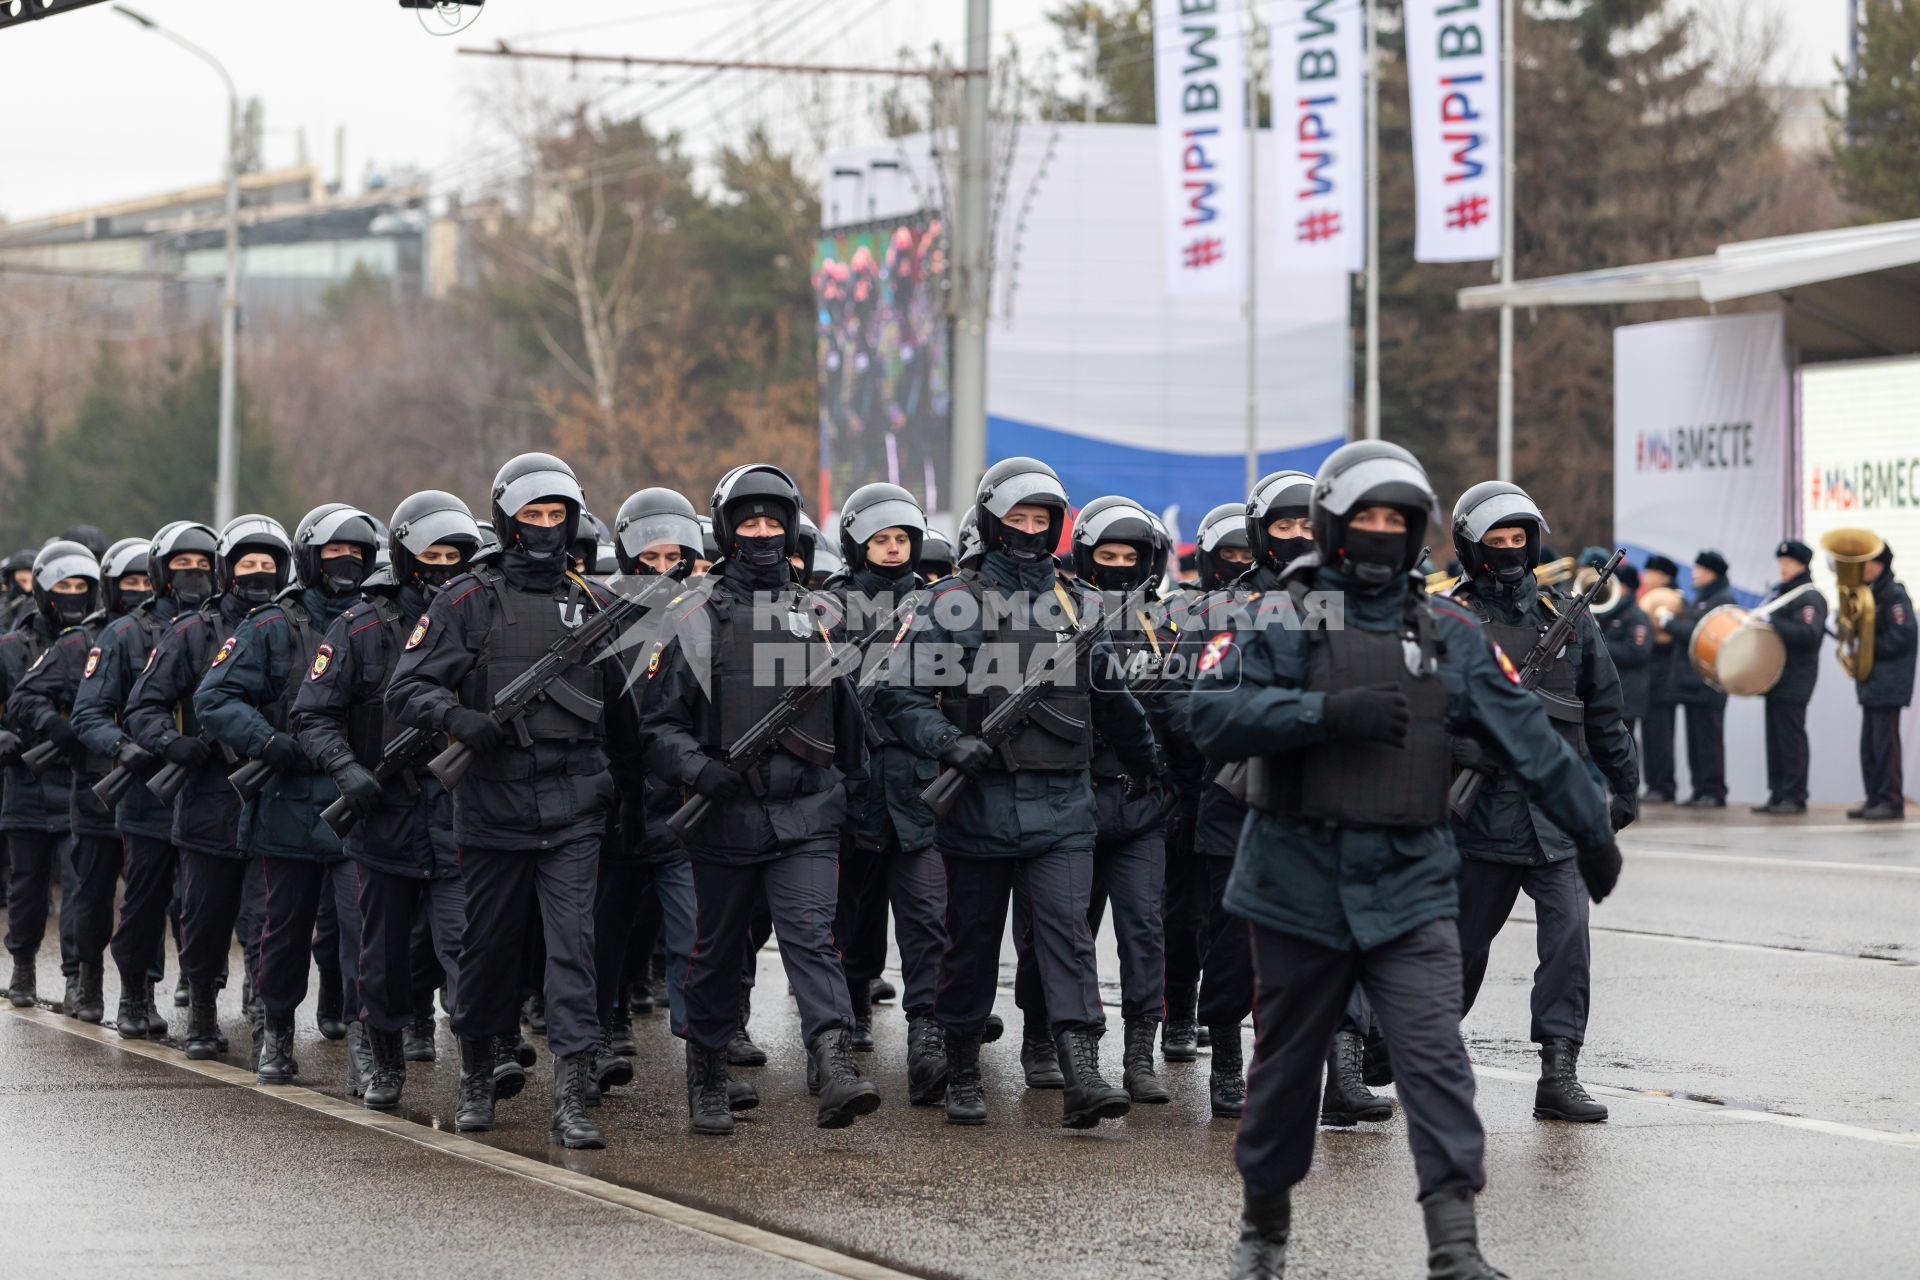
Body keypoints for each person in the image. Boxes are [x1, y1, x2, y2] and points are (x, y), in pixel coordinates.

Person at [1189, 441, 1622, 1280]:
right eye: (1368, 517)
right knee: (1284, 1072)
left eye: (1398, 519)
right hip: (1294, 880)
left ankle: (1455, 1246)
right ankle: (1263, 1234)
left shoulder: (1449, 628)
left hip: (1413, 880)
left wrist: (1592, 828)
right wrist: (1325, 712)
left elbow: (1526, 733)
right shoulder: (1280, 614)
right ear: (1332, 525)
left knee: (1433, 1059)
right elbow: (1212, 715)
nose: (1383, 532)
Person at [875, 457, 1159, 1129]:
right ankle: (964, 1068)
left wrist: (1150, 762)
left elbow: (1112, 696)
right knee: (971, 943)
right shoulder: (952, 600)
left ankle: (1082, 1072)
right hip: (976, 805)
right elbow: (896, 690)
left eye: (1041, 520)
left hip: (1063, 805)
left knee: (1066, 938)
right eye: (1018, 519)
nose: (1030, 531)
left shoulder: (1077, 602)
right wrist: (948, 741)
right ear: (991, 523)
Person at [386, 452, 634, 1150]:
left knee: (572, 951)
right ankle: (474, 1071)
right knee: (488, 951)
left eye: (558, 516)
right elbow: (406, 688)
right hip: (492, 806)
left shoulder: (595, 603)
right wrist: (457, 718)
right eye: (534, 516)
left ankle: (573, 1097)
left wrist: (631, 802)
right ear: (507, 521)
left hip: (575, 806)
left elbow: (624, 717)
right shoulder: (467, 599)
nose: (547, 528)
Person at [641, 464, 878, 1136]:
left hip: (805, 815)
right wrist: (699, 769)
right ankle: (708, 1071)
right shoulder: (692, 614)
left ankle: (833, 1063)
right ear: (727, 530)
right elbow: (656, 725)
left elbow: (847, 716)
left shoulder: (819, 613)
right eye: (750, 522)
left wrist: (849, 789)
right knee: (716, 953)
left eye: (775, 521)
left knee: (811, 938)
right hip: (721, 818)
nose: (764, 533)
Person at [1444, 482, 1639, 1125]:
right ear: (1473, 549)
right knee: (1462, 949)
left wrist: (1624, 784)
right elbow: (1423, 713)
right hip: (1481, 818)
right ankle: (1406, 1041)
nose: (1509, 551)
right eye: (1495, 542)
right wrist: (1464, 747)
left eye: (1518, 539)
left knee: (1569, 941)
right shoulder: (1453, 621)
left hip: (1556, 817)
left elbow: (1604, 709)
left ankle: (1560, 1071)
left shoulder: (1570, 615)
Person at [292, 492, 482, 1110]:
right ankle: (385, 1059)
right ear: (405, 558)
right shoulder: (360, 627)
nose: (445, 565)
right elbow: (313, 715)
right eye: (432, 554)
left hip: (459, 820)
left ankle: (477, 1073)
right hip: (383, 821)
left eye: (456, 555)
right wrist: (347, 770)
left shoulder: (482, 619)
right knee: (381, 957)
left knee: (466, 950)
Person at [196, 504, 379, 1091]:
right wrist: (270, 743)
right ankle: (276, 1032)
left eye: (356, 552)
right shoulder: (275, 624)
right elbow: (215, 698)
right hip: (290, 803)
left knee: (365, 931)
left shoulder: (379, 620)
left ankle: (368, 1044)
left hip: (361, 803)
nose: (345, 563)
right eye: (333, 553)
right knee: (282, 932)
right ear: (308, 557)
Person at [125, 514, 291, 1059]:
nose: (259, 573)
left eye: (269, 564)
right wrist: (173, 744)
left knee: (269, 918)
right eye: (248, 564)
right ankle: (200, 1011)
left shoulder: (294, 629)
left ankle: (269, 1019)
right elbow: (143, 707)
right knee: (203, 916)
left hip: (275, 795)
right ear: (229, 571)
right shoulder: (191, 630)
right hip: (208, 797)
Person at [827, 482, 954, 1102]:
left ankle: (927, 1038)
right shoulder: (824, 609)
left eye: (902, 537)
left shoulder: (941, 607)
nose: (893, 548)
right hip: (850, 790)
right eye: (880, 538)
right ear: (857, 542)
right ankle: (843, 1023)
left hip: (918, 790)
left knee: (929, 918)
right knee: (849, 916)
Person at [78, 522, 219, 1039]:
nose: (195, 575)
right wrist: (126, 748)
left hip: (207, 790)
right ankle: (135, 993)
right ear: (162, 572)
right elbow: (89, 713)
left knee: (204, 902)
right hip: (149, 794)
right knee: (145, 899)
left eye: (205, 566)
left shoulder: (221, 628)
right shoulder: (123, 634)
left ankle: (206, 999)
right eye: (183, 565)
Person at [10, 538, 151, 1024]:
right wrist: (62, 730)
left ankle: (141, 991)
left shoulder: (169, 635)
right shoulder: (79, 642)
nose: (139, 591)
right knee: (77, 894)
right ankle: (77, 978)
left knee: (147, 900)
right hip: (86, 787)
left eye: (146, 582)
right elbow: (25, 698)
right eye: (130, 583)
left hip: (151, 790)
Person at [2, 540, 100, 1010]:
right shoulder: (9, 647)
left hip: (77, 784)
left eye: (82, 586)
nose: (74, 594)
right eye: (64, 585)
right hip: (24, 783)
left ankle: (76, 977)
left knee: (80, 885)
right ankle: (22, 966)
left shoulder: (98, 644)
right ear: (44, 590)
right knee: (27, 887)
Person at [1756, 540, 1826, 816]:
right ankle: (1778, 792)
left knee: (1790, 737)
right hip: (1775, 677)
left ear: (1801, 565)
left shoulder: (1809, 597)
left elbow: (1808, 635)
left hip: (1796, 677)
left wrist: (1773, 623)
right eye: (1781, 563)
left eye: (1788, 563)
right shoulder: (1780, 593)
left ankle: (1795, 794)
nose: (1782, 568)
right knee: (1775, 738)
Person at [1661, 551, 1734, 807]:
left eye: (1699, 569)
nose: (1694, 573)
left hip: (1709, 683)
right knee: (1695, 741)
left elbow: (1699, 633)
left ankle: (1714, 791)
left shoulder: (1721, 600)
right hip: (1693, 683)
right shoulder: (1703, 598)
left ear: (1712, 572)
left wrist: (1671, 624)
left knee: (1708, 741)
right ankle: (1699, 789)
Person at [1851, 543, 1914, 821]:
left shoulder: (1894, 595)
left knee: (1884, 745)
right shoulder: (1868, 594)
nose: (1862, 568)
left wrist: (1867, 645)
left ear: (1880, 564)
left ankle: (1890, 800)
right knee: (1869, 747)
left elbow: (1903, 636)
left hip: (1889, 683)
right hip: (1872, 683)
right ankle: (1875, 797)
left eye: (1868, 562)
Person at [1638, 554, 1682, 803]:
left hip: (1666, 678)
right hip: (1652, 678)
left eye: (1651, 573)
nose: (1647, 577)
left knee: (1661, 734)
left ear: (1664, 577)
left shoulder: (1673, 601)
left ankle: (1663, 785)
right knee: (1652, 734)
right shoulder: (1649, 599)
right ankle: (1655, 783)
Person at [1594, 560, 1652, 742]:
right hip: (1612, 691)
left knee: (1625, 742)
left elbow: (1637, 652)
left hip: (1627, 693)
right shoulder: (1609, 612)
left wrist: (1600, 642)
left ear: (1626, 587)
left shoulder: (1636, 616)